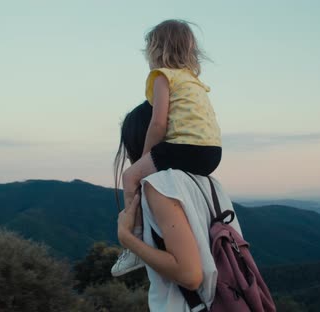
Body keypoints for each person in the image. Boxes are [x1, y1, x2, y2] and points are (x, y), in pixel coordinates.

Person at [112, 19, 223, 276]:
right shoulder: (194, 82)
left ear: (157, 50)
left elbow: (158, 123)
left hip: (185, 147)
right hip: (212, 153)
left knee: (131, 177)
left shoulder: (162, 77)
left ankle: (134, 239)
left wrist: (144, 158)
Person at [114, 101, 242, 311]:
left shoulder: (159, 186)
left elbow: (190, 275)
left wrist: (127, 237)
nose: (128, 156)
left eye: (128, 146)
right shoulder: (208, 182)